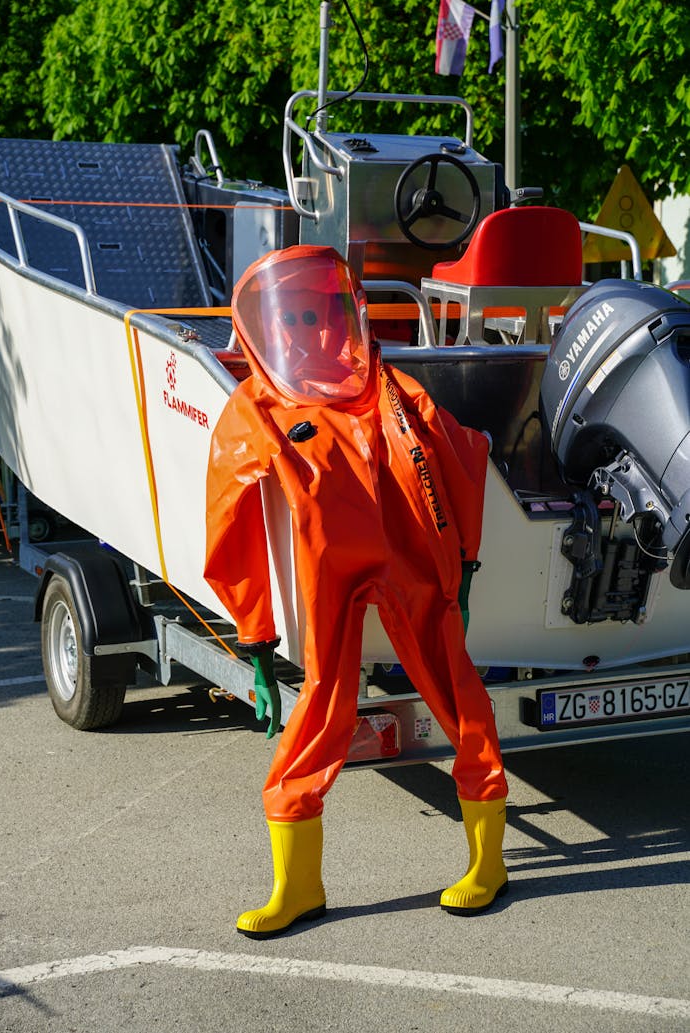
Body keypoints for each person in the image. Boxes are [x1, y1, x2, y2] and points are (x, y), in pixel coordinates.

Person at [205, 244, 508, 938]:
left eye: (324, 312)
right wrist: (254, 633)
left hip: (411, 554)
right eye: (299, 314)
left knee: (459, 696)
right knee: (319, 709)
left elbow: (460, 452)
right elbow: (228, 511)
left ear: (348, 314)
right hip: (329, 566)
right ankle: (298, 885)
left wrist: (464, 566)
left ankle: (488, 862)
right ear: (274, 324)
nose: (313, 329)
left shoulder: (390, 388)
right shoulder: (258, 404)